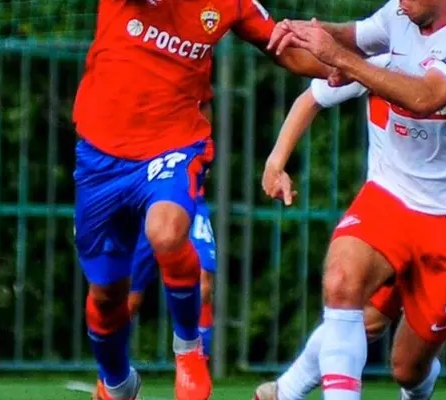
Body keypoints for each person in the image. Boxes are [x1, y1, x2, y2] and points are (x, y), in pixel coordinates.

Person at [72, 0, 332, 399]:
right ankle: (117, 381)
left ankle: (189, 347)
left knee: (167, 232)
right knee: (107, 297)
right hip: (101, 157)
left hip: (173, 145)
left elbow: (288, 50)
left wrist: (359, 69)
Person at [260, 0, 446, 398]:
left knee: (408, 367)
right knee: (342, 280)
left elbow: (428, 96)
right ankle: (290, 390)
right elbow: (351, 38)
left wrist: (344, 59)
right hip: (391, 196)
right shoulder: (396, 20)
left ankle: (417, 385)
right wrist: (308, 31)